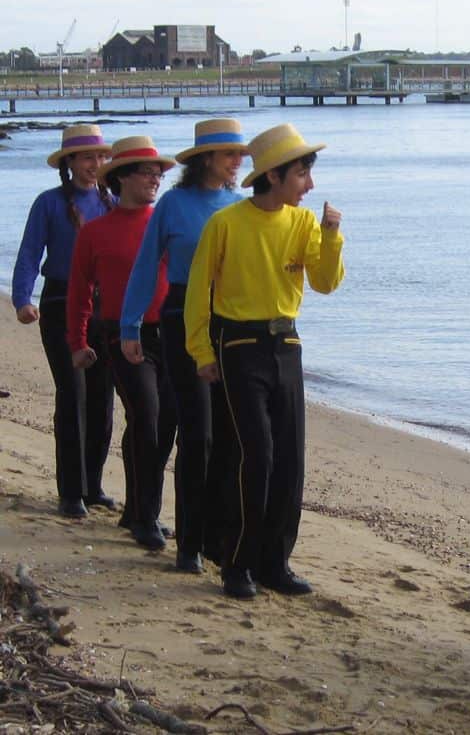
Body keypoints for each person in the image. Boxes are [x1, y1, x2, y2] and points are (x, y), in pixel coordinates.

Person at [184, 123, 344, 600]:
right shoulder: (226, 224)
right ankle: (237, 563)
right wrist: (201, 352)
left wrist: (331, 235)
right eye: (301, 174)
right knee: (256, 455)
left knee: (289, 460)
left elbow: (325, 283)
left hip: (286, 345)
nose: (309, 184)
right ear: (273, 175)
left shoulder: (303, 222)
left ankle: (275, 563)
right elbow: (197, 292)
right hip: (238, 346)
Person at [121, 118, 246, 574]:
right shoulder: (173, 205)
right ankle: (188, 543)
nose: (237, 162)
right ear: (206, 158)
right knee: (198, 433)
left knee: (228, 437)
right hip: (179, 319)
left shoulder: (240, 205)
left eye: (241, 155)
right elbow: (145, 265)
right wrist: (130, 325)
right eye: (230, 154)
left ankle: (217, 538)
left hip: (229, 322)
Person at [67, 136, 177, 550]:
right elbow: (79, 292)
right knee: (146, 415)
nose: (155, 179)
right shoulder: (95, 232)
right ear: (122, 178)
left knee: (162, 425)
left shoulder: (165, 223)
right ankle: (145, 518)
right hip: (122, 335)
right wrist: (77, 342)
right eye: (147, 173)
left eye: (158, 173)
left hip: (173, 333)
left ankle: (138, 509)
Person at [12, 125, 115, 517]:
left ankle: (93, 485)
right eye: (88, 157)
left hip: (104, 307)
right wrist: (23, 300)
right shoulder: (48, 203)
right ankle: (71, 491)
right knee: (73, 394)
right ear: (69, 162)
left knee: (102, 398)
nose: (95, 164)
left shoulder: (112, 202)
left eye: (101, 157)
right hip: (59, 302)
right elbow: (29, 253)